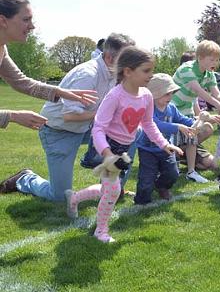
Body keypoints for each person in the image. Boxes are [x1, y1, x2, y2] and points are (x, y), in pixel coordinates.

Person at [66, 47, 182, 243]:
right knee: (113, 190)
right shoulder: (115, 96)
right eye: (146, 71)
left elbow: (148, 123)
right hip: (106, 147)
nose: (151, 75)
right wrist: (107, 153)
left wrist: (164, 144)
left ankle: (74, 198)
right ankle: (101, 231)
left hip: (124, 150)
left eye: (152, 70)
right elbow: (98, 128)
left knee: (108, 189)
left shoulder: (146, 95)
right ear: (128, 71)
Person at [0, 33, 134, 199]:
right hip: (59, 131)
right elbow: (69, 116)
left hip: (85, 127)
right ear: (109, 57)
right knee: (60, 197)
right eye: (128, 59)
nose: (132, 64)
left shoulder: (115, 74)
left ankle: (112, 186)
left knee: (133, 131)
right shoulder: (88, 74)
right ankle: (25, 178)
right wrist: (107, 115)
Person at [0, 0, 97, 132]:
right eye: (26, 20)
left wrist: (61, 92)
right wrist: (12, 116)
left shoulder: (2, 49)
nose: (32, 26)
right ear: (3, 21)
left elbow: (22, 82)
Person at [135, 73, 199, 204]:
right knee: (146, 177)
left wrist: (199, 120)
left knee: (172, 173)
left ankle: (161, 186)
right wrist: (178, 127)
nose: (170, 97)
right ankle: (142, 200)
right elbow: (156, 125)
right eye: (166, 94)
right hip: (147, 149)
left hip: (166, 148)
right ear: (155, 94)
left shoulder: (171, 108)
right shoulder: (149, 108)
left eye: (171, 93)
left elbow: (183, 120)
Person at [172, 40, 220, 182]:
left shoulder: (209, 74)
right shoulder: (187, 69)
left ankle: (189, 168)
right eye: (212, 59)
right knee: (189, 135)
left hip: (187, 112)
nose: (215, 63)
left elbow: (217, 94)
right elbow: (200, 92)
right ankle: (174, 160)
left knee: (201, 131)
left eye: (217, 60)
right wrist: (219, 106)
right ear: (200, 58)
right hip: (171, 112)